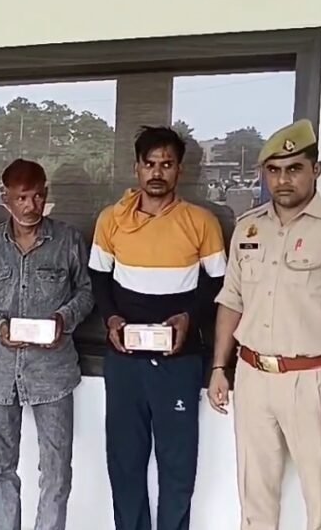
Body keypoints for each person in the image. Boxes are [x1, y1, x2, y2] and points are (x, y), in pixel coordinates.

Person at [207, 119, 321, 530]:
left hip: (314, 380)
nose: (282, 180)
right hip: (252, 375)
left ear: (315, 170)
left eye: (294, 169)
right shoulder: (248, 227)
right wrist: (219, 366)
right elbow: (232, 301)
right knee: (254, 497)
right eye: (274, 170)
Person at [89, 126, 226, 530]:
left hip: (178, 361)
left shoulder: (200, 221)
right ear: (136, 167)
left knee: (178, 464)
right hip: (125, 360)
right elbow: (99, 278)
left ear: (180, 170)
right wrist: (112, 319)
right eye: (149, 164)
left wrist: (189, 318)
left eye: (166, 164)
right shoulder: (112, 220)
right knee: (125, 461)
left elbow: (219, 284)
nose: (157, 172)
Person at [0, 158, 93, 530]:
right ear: (5, 198)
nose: (30, 206)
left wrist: (62, 320)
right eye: (21, 198)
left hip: (53, 373)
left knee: (56, 468)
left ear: (45, 194)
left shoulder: (68, 240)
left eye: (37, 196)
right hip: (1, 374)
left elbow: (87, 293)